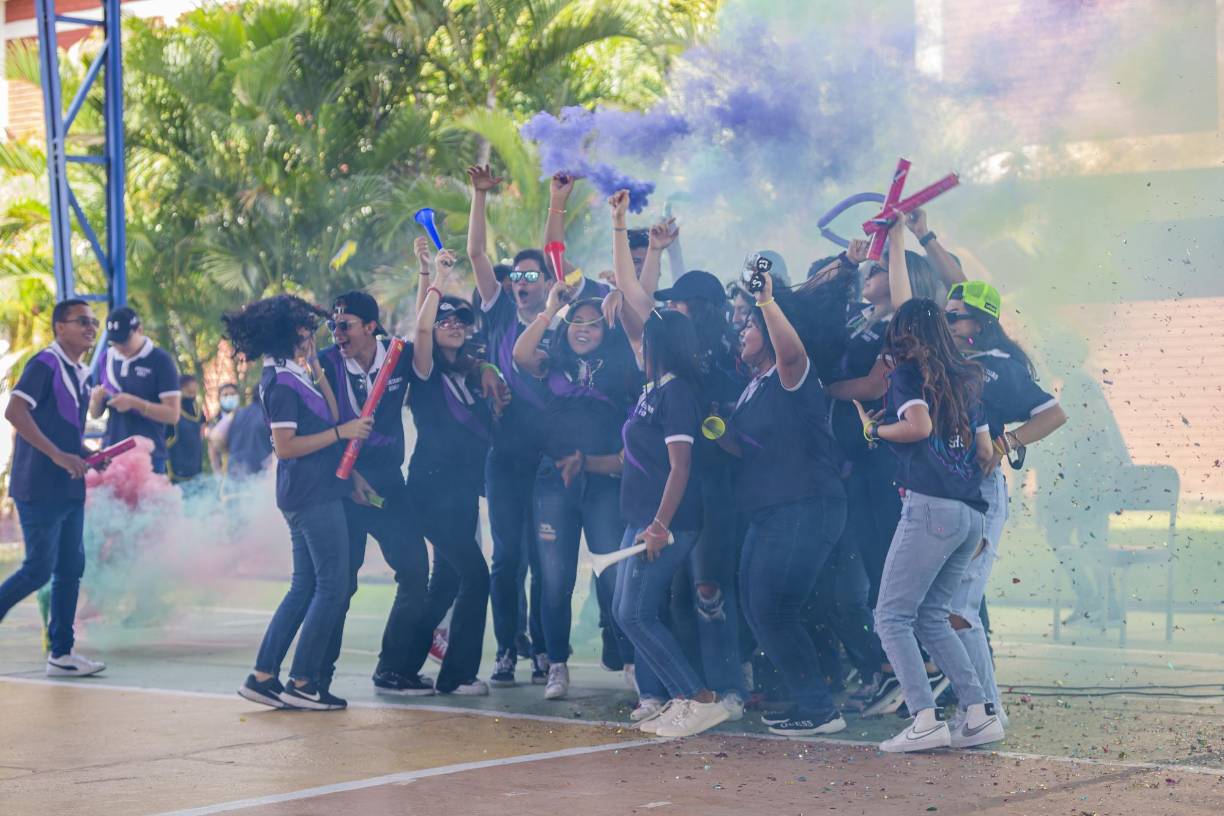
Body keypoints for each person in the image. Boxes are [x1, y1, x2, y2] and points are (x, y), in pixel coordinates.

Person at [853, 297, 1003, 752]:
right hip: (971, 513)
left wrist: (874, 431)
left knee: (891, 616)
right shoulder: (966, 378)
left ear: (903, 334)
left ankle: (924, 717)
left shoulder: (907, 374)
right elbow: (983, 453)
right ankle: (978, 714)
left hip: (931, 508)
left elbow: (916, 426)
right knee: (933, 616)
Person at [617, 219, 749, 718]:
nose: (669, 308)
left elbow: (707, 449)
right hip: (672, 498)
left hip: (710, 491)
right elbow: (636, 301)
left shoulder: (723, 361)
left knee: (708, 590)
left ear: (697, 313)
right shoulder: (671, 371)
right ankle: (665, 692)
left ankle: (721, 690)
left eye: (678, 304)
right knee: (659, 600)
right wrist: (652, 247)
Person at [713, 269, 849, 738]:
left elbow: (790, 350)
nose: (741, 333)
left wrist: (767, 301)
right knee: (758, 608)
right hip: (770, 510)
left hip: (804, 505)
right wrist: (716, 430)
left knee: (773, 609)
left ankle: (820, 709)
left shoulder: (792, 373)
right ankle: (812, 702)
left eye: (748, 326)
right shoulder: (755, 384)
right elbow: (748, 446)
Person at [225, 294, 373, 711]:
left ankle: (263, 675)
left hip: (313, 491)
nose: (312, 333)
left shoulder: (295, 374)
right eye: (306, 327)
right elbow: (287, 447)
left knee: (306, 585)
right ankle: (305, 680)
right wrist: (343, 434)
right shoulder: (281, 384)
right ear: (289, 332)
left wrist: (319, 372)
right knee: (332, 585)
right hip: (312, 495)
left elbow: (329, 412)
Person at [512, 258, 642, 701]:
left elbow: (638, 333)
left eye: (593, 324)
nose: (584, 329)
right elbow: (519, 355)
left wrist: (619, 308)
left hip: (605, 483)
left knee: (613, 576)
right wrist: (551, 308)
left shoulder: (623, 370)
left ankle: (631, 662)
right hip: (553, 486)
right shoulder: (552, 365)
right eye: (577, 323)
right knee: (555, 580)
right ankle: (557, 665)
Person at [944, 281, 1066, 721]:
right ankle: (975, 707)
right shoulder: (951, 363)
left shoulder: (995, 367)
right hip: (948, 496)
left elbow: (1054, 412)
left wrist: (1006, 442)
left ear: (980, 323)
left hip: (980, 497)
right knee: (942, 608)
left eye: (955, 315)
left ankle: (986, 710)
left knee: (958, 607)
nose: (947, 321)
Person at [317, 290, 433, 696]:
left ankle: (393, 669)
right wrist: (348, 481)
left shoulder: (397, 354)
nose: (337, 334)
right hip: (340, 482)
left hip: (387, 481)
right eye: (333, 326)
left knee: (416, 570)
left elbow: (426, 329)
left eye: (345, 325)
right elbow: (315, 428)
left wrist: (428, 276)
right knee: (339, 584)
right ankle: (315, 677)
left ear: (370, 326)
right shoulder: (324, 364)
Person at [466, 163, 549, 686]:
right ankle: (506, 650)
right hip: (505, 456)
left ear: (545, 284)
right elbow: (476, 254)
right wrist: (479, 196)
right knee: (507, 558)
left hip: (548, 455)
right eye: (514, 276)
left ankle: (543, 648)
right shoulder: (497, 314)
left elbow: (553, 256)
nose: (520, 283)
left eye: (529, 275)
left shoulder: (559, 321)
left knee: (545, 557)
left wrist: (558, 204)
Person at [396, 251, 494, 695]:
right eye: (446, 319)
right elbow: (420, 326)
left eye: (462, 320)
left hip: (460, 495)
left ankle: (395, 664)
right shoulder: (426, 371)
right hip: (432, 492)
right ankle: (456, 675)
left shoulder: (468, 374)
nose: (455, 324)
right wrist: (434, 276)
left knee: (448, 582)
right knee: (476, 576)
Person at [0, 299, 106, 677]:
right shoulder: (45, 364)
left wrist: (87, 453)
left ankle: (62, 653)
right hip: (39, 484)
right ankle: (60, 649)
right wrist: (59, 456)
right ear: (59, 326)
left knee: (69, 567)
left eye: (94, 322)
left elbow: (66, 430)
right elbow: (15, 411)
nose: (91, 327)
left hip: (68, 486)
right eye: (82, 321)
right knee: (38, 569)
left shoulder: (81, 373)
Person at [89, 306, 181, 474]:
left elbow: (173, 414)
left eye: (124, 341)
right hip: (112, 451)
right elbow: (95, 413)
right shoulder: (106, 358)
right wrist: (96, 400)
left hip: (150, 454)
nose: (119, 347)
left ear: (139, 330)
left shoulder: (160, 360)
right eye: (114, 342)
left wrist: (135, 404)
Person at [166, 374, 206, 484]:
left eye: (194, 393)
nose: (191, 396)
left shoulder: (198, 409)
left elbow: (202, 432)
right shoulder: (170, 413)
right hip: (176, 477)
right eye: (188, 392)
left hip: (196, 473)